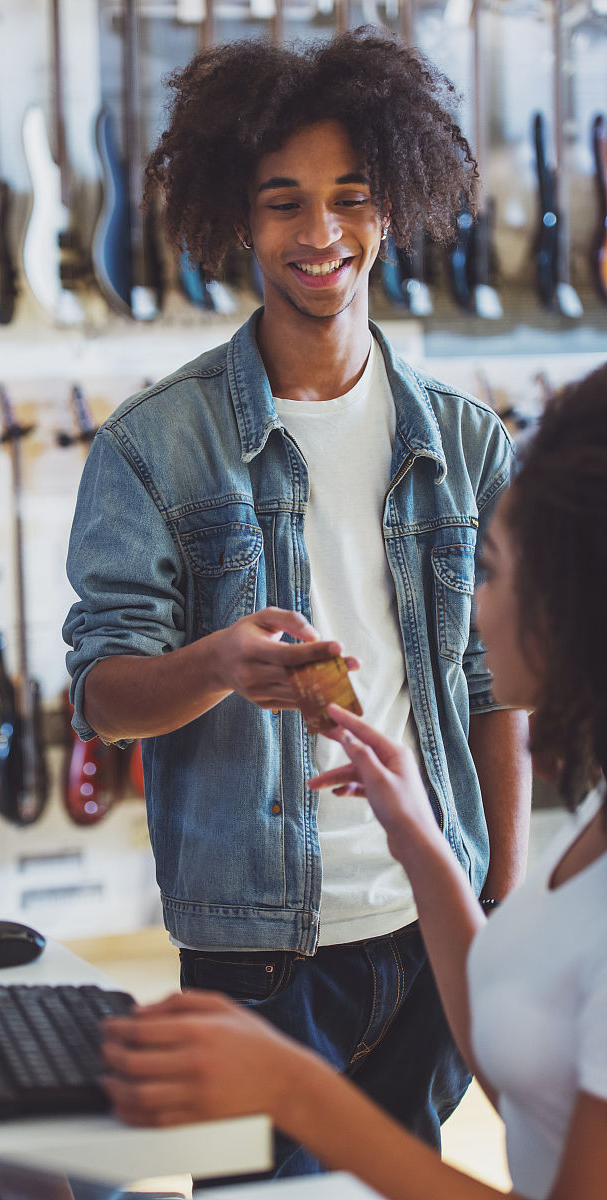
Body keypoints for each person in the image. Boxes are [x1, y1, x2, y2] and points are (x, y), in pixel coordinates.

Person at [63, 28, 531, 1173]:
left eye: (349, 198)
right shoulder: (151, 449)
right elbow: (104, 698)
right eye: (284, 203)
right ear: (239, 214)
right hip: (257, 957)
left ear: (392, 206)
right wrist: (217, 664)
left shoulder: (466, 442)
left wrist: (497, 912)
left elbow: (492, 695)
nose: (319, 234)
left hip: (435, 934)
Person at [98, 364, 607, 1200]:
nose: (472, 608)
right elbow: (517, 1054)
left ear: (572, 603)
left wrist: (294, 1089)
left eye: (493, 571)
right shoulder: (591, 824)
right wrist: (420, 841)